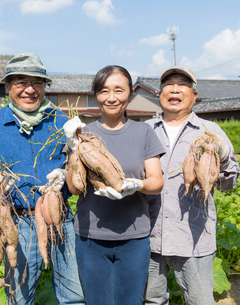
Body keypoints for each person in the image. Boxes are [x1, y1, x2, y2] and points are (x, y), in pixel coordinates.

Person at [0, 53, 84, 304]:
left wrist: (68, 171)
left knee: (74, 295)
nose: (29, 89)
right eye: (20, 82)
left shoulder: (62, 122)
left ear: (45, 87)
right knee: (19, 296)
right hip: (15, 223)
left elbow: (80, 169)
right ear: (8, 87)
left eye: (37, 82)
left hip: (60, 217)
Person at [64, 65, 165, 304]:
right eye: (103, 91)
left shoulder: (144, 132)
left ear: (130, 94)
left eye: (118, 90)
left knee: (130, 301)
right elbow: (74, 188)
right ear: (96, 94)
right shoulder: (82, 133)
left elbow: (157, 182)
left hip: (134, 237)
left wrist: (137, 185)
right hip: (91, 238)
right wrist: (72, 148)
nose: (111, 98)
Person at [144, 66, 240, 305]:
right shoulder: (145, 130)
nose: (175, 89)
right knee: (151, 300)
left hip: (194, 236)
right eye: (168, 84)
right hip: (149, 236)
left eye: (183, 84)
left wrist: (223, 157)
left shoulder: (210, 132)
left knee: (200, 300)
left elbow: (229, 183)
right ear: (159, 93)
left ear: (194, 95)